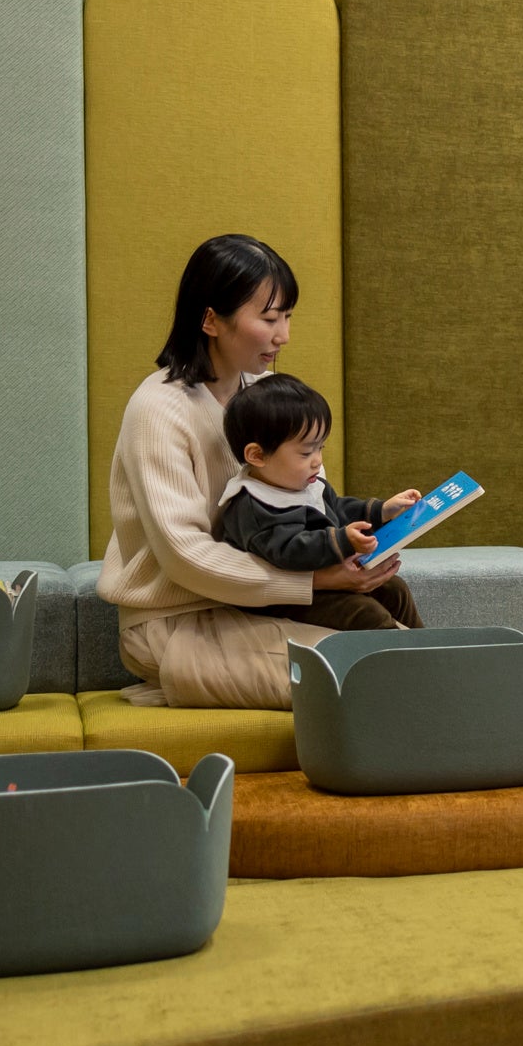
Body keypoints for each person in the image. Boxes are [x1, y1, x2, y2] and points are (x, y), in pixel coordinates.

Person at [99, 234, 407, 708]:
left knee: (405, 643)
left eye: (287, 317)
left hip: (260, 605)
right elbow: (185, 556)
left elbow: (309, 498)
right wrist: (316, 580)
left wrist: (364, 537)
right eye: (269, 318)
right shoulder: (158, 409)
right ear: (210, 320)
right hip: (179, 622)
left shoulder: (265, 395)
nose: (283, 335)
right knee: (376, 673)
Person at [215, 372, 426, 633]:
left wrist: (381, 510)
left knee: (396, 590)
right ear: (257, 455)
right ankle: (393, 656)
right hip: (281, 598)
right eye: (306, 452)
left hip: (321, 578)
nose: (317, 461)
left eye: (320, 448)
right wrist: (342, 540)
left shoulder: (302, 481)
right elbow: (288, 550)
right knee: (366, 614)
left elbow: (336, 508)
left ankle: (425, 648)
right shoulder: (253, 505)